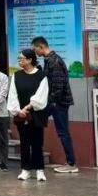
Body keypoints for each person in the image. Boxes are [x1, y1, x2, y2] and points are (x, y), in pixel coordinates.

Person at [32, 36, 78, 173]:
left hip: (58, 103)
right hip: (54, 102)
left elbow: (58, 86)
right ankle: (37, 158)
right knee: (39, 122)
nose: (35, 52)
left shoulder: (54, 61)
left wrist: (50, 102)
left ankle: (71, 163)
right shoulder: (49, 60)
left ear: (41, 47)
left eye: (35, 49)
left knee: (63, 132)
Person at [7, 49, 49, 182]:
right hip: (21, 114)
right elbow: (12, 95)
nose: (20, 61)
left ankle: (39, 170)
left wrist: (28, 107)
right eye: (19, 59)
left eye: (22, 58)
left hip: (36, 113)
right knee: (24, 142)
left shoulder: (41, 75)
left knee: (37, 142)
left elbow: (41, 96)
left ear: (30, 60)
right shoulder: (17, 75)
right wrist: (17, 110)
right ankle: (25, 169)